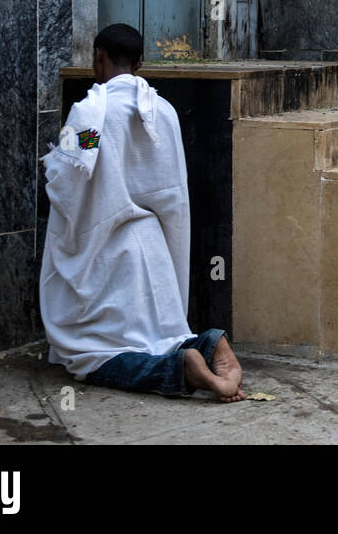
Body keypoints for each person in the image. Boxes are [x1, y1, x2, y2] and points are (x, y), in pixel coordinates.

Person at [40, 23, 244, 401]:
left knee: (91, 356)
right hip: (154, 253)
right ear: (140, 63)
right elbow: (173, 192)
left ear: (98, 57)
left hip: (105, 258)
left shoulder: (92, 116)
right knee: (159, 337)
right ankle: (210, 344)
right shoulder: (163, 112)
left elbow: (68, 176)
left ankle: (181, 369)